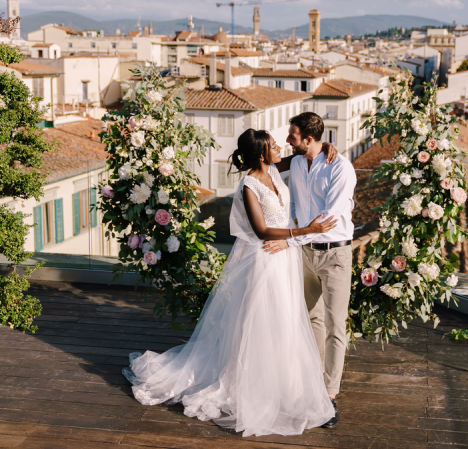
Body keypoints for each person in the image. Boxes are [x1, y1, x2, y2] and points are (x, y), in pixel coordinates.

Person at [123, 129, 338, 437]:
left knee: (286, 320)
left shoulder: (275, 168)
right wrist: (306, 230)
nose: (280, 147)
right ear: (263, 153)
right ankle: (254, 384)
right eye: (274, 145)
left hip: (284, 260)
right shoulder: (249, 185)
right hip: (263, 260)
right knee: (261, 322)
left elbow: (301, 156)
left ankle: (285, 382)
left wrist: (323, 146)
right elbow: (263, 231)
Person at [263, 112, 357, 429]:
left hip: (335, 254)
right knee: (311, 317)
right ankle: (314, 381)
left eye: (293, 135)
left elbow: (329, 218)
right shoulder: (299, 163)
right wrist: (294, 237)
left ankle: (329, 395)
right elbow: (295, 209)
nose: (288, 140)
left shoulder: (341, 167)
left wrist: (290, 241)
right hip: (305, 253)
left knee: (335, 325)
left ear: (308, 139)